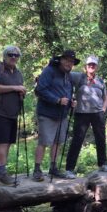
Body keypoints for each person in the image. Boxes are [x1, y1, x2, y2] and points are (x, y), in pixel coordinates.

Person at [33, 50, 78, 181]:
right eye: (67, 60)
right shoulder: (50, 71)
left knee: (58, 142)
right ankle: (37, 169)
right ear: (61, 60)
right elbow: (40, 89)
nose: (69, 63)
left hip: (62, 115)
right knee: (44, 141)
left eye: (71, 62)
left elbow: (68, 93)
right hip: (47, 113)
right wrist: (57, 100)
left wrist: (71, 103)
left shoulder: (68, 75)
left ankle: (53, 168)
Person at [64, 55, 107, 178]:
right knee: (77, 140)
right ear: (86, 66)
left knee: (101, 139)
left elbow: (105, 98)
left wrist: (103, 109)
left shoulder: (100, 81)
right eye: (89, 64)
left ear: (96, 67)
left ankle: (103, 163)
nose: (91, 66)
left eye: (94, 65)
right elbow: (64, 73)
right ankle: (69, 168)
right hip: (81, 114)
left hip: (98, 114)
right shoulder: (78, 77)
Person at [0, 46, 26, 185]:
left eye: (16, 55)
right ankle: (2, 173)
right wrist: (15, 88)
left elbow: (19, 88)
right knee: (3, 142)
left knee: (8, 143)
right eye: (10, 55)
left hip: (12, 113)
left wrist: (21, 93)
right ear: (5, 56)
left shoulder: (17, 73)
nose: (13, 57)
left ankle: (0, 171)